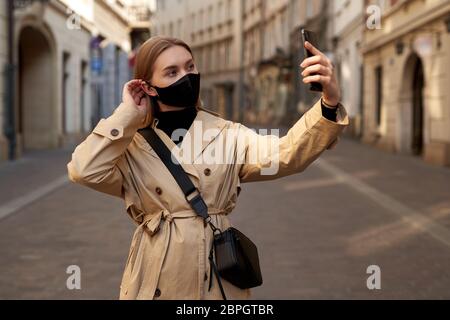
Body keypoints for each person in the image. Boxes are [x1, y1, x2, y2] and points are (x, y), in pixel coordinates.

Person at [67, 36, 349, 300]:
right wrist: (127, 114)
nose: (187, 77)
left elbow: (288, 154)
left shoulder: (228, 134)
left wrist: (329, 102)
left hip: (217, 277)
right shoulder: (131, 144)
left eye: (190, 67)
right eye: (172, 72)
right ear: (149, 87)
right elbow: (84, 170)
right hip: (155, 279)